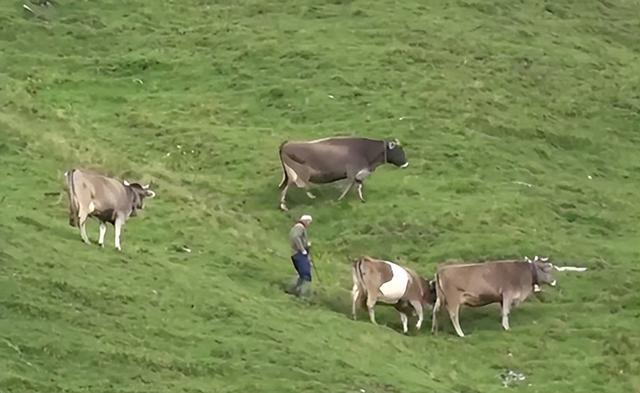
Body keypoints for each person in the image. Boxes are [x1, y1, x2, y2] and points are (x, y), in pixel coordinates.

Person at [286, 214, 313, 297]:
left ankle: (294, 290)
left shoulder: (298, 227)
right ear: (306, 221)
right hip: (299, 254)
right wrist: (303, 249)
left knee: (301, 273)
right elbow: (296, 237)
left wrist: (306, 244)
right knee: (305, 274)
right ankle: (301, 294)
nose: (309, 224)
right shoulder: (299, 227)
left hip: (296, 253)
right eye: (309, 222)